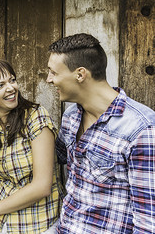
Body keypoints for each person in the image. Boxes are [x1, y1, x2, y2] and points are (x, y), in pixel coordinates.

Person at [46, 33, 155, 233]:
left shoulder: (142, 130)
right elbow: (52, 157)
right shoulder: (71, 117)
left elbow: (148, 222)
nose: (49, 79)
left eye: (53, 72)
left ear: (80, 74)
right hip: (64, 227)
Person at [0, 59, 62, 234]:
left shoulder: (35, 117)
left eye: (12, 80)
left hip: (37, 220)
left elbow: (42, 186)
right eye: (1, 85)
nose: (11, 88)